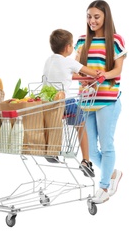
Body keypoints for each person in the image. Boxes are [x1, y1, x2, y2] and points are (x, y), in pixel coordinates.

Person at [74, 0, 127, 203]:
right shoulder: (81, 41)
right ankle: (113, 173)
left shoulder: (115, 40)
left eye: (96, 16)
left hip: (107, 100)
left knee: (106, 146)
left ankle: (103, 188)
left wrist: (102, 76)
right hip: (86, 101)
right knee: (91, 150)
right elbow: (76, 65)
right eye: (89, 16)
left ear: (105, 17)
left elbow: (117, 70)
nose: (92, 20)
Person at [43, 28, 100, 177]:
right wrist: (99, 75)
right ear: (68, 47)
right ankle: (86, 161)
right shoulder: (69, 61)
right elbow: (91, 73)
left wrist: (81, 78)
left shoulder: (49, 61)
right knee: (81, 126)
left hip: (47, 104)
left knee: (54, 123)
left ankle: (51, 150)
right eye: (72, 45)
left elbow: (65, 75)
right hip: (65, 103)